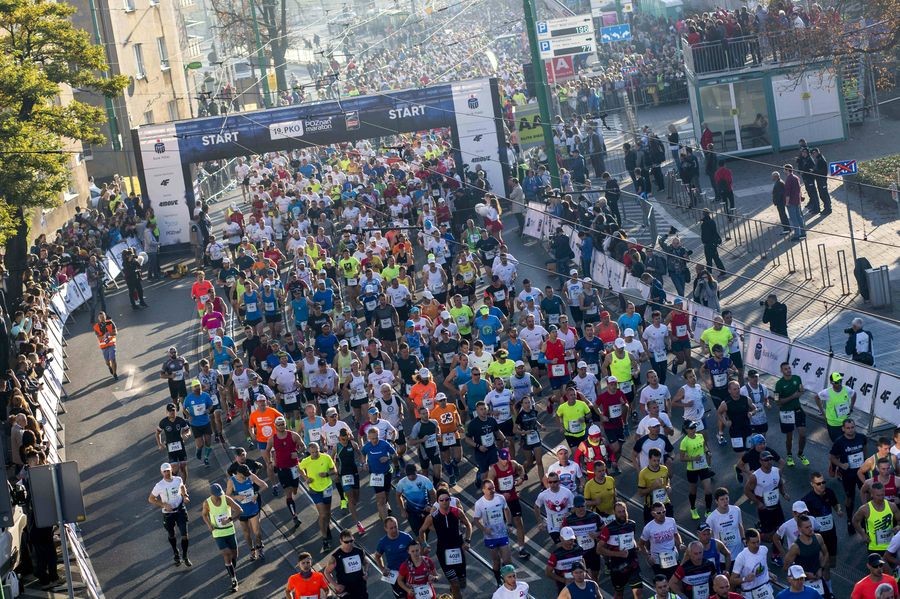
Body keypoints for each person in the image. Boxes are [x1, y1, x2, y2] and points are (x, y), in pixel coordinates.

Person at [417, 487, 472, 599]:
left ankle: (453, 590)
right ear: (437, 502)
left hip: (458, 550)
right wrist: (425, 544)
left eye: (446, 499)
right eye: (441, 500)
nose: (444, 502)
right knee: (455, 584)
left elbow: (468, 525)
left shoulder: (457, 512)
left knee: (462, 583)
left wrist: (467, 541)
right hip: (443, 552)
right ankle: (455, 591)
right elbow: (421, 531)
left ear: (449, 499)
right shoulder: (433, 516)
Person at [147, 462, 191, 567]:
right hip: (168, 513)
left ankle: (185, 556)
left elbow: (182, 487)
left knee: (185, 534)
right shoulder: (159, 485)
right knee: (172, 534)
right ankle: (176, 552)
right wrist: (163, 504)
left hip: (180, 510)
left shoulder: (178, 480)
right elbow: (151, 499)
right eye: (164, 471)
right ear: (162, 473)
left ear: (171, 469)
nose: (167, 473)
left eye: (168, 470)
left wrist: (185, 496)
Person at [201, 483, 243, 592]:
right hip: (218, 532)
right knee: (227, 553)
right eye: (217, 495)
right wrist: (209, 525)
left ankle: (231, 570)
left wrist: (229, 519)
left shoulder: (226, 499)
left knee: (234, 554)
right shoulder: (207, 503)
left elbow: (239, 510)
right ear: (211, 494)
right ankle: (234, 580)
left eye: (220, 494)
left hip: (229, 530)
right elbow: (204, 514)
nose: (219, 496)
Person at [831, 418, 870, 535]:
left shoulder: (861, 437)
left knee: (867, 494)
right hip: (848, 474)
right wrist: (841, 465)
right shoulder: (839, 442)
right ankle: (849, 519)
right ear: (843, 429)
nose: (850, 430)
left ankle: (864, 518)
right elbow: (832, 457)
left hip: (862, 471)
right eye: (848, 428)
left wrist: (866, 462)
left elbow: (865, 449)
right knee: (850, 498)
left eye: (852, 427)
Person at [597, 501, 641, 599]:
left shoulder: (631, 524)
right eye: (619, 512)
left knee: (638, 592)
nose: (622, 514)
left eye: (623, 511)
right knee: (619, 594)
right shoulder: (608, 529)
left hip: (633, 563)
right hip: (617, 567)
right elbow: (599, 549)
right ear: (615, 513)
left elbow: (631, 538)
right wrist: (618, 554)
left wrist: (635, 545)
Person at [298, 441, 337, 552]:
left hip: (327, 487)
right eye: (313, 452)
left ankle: (326, 528)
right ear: (309, 452)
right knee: (323, 514)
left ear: (319, 449)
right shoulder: (306, 461)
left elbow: (334, 470)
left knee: (328, 513)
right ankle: (324, 539)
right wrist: (305, 478)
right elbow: (299, 468)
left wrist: (327, 474)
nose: (315, 454)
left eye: (317, 451)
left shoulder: (326, 458)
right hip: (315, 489)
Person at [225, 463, 268, 560]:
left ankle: (259, 547)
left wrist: (257, 493)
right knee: (246, 533)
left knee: (256, 532)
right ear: (238, 473)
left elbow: (264, 485)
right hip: (241, 511)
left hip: (253, 508)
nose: (247, 476)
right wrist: (236, 497)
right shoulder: (232, 481)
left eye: (248, 474)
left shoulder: (250, 476)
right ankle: (252, 550)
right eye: (244, 474)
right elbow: (227, 496)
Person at [473, 478, 512, 585]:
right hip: (490, 537)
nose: (492, 490)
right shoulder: (479, 503)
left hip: (502, 533)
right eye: (489, 489)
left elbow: (506, 509)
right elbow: (475, 520)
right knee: (496, 561)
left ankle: (508, 581)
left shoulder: (500, 498)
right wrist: (484, 529)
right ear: (483, 490)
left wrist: (509, 524)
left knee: (508, 561)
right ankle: (498, 580)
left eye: (493, 487)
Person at [774, 362, 809, 467]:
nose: (788, 370)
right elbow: (777, 401)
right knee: (789, 437)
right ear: (781, 371)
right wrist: (793, 396)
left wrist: (802, 391)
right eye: (785, 369)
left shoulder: (797, 378)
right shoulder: (779, 384)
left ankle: (800, 453)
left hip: (797, 410)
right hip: (786, 412)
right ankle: (789, 455)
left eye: (789, 368)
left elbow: (800, 390)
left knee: (802, 434)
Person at [374, 517, 415, 599]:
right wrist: (382, 569)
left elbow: (416, 550)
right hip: (395, 575)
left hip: (409, 572)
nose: (394, 530)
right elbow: (377, 556)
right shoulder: (383, 542)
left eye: (395, 526)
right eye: (391, 528)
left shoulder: (406, 537)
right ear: (385, 529)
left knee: (414, 595)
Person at [731, 528, 776, 599]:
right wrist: (745, 579)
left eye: (758, 542)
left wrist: (769, 573)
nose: (757, 545)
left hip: (766, 588)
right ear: (747, 542)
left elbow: (763, 566)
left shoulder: (764, 550)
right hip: (749, 594)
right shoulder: (741, 557)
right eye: (753, 543)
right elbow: (732, 580)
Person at [324, 530, 369, 599]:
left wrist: (366, 572)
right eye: (346, 542)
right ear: (341, 541)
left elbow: (366, 562)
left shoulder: (359, 551)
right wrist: (336, 585)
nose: (349, 544)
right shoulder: (335, 556)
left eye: (351, 541)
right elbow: (326, 572)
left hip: (360, 587)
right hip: (346, 589)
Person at [816, 372, 857, 441]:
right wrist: (822, 411)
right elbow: (816, 397)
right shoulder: (827, 392)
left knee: (847, 443)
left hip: (845, 422)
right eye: (837, 382)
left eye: (840, 381)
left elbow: (854, 394)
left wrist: (851, 407)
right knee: (837, 444)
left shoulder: (846, 389)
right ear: (832, 382)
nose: (840, 383)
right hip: (833, 424)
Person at [92, 312, 118, 380]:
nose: (102, 318)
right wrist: (104, 336)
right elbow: (99, 338)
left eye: (103, 316)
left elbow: (115, 332)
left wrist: (109, 333)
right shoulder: (96, 327)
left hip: (111, 344)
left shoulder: (110, 322)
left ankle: (115, 374)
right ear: (98, 318)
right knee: (107, 362)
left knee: (113, 359)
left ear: (105, 316)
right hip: (104, 346)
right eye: (100, 317)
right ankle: (109, 367)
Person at [784, 164, 806, 242]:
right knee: (799, 217)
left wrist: (787, 203)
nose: (784, 171)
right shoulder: (796, 178)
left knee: (794, 219)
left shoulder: (788, 179)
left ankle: (797, 235)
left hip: (791, 202)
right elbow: (799, 189)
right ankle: (803, 232)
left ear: (787, 170)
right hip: (797, 201)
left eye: (784, 169)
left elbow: (787, 193)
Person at [700, 209, 725, 275]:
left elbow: (705, 235)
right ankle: (722, 271)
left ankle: (709, 274)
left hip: (708, 244)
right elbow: (714, 232)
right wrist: (717, 240)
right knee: (716, 258)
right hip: (713, 243)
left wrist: (704, 241)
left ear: (704, 214)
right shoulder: (712, 221)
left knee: (709, 260)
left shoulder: (704, 224)